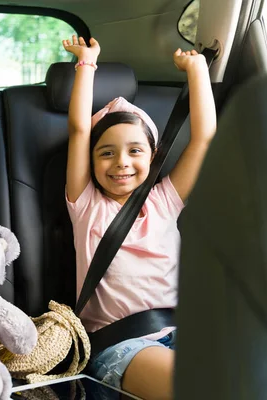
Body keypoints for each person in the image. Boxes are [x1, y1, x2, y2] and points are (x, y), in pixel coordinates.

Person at [62, 35, 216, 399]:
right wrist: (87, 63)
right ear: (90, 159)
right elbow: (79, 129)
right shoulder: (85, 204)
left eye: (135, 151)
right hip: (123, 346)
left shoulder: (165, 199)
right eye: (106, 153)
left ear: (154, 155)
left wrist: (198, 70)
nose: (122, 163)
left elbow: (205, 138)